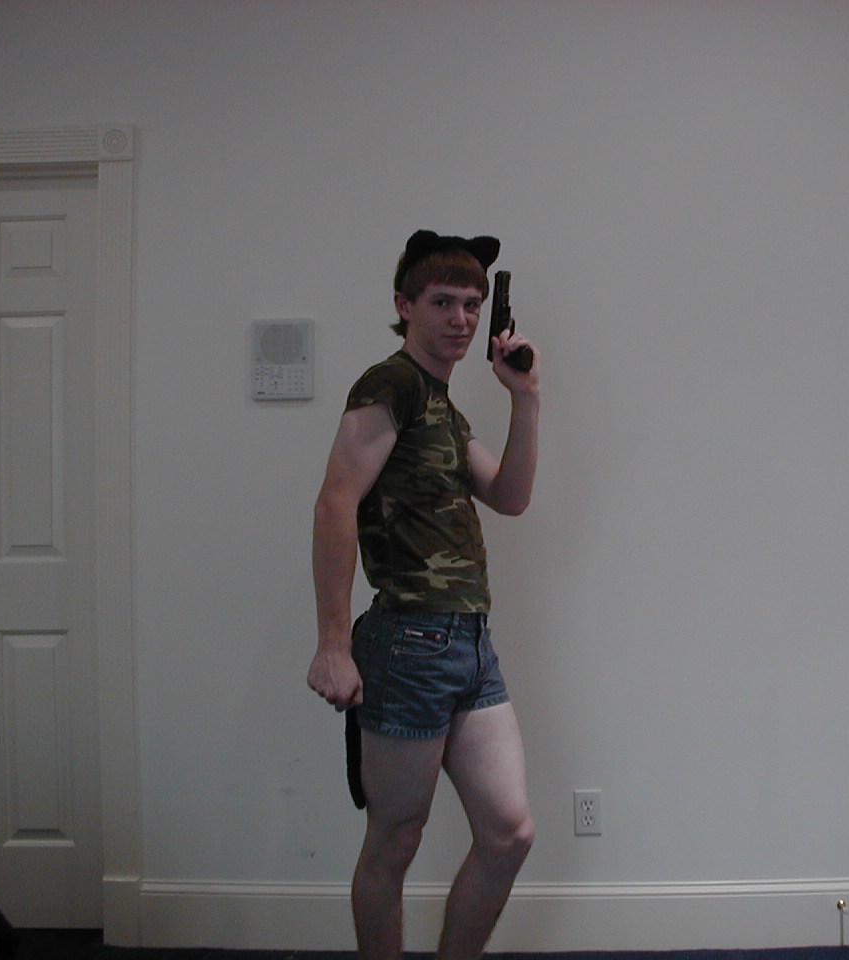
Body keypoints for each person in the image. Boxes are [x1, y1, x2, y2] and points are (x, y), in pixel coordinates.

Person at [306, 230, 539, 960]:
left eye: (471, 304)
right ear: (405, 306)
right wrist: (333, 644)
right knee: (395, 839)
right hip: (408, 641)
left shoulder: (443, 409)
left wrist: (526, 399)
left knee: (509, 833)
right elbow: (335, 503)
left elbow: (510, 496)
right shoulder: (393, 384)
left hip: (469, 643)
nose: (461, 318)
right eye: (442, 302)